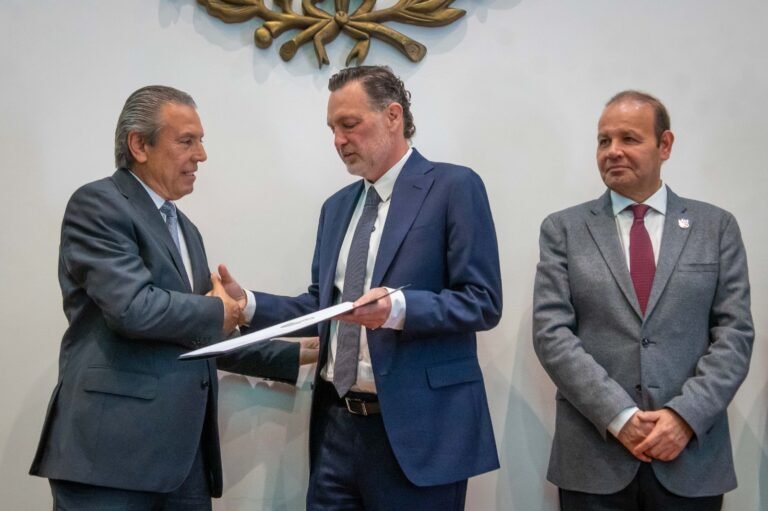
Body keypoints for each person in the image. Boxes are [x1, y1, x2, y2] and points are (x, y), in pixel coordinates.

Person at [219, 65, 503, 510]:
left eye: (349, 124)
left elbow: (483, 302)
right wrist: (248, 304)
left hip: (421, 432)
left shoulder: (454, 187)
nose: (338, 140)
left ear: (393, 115)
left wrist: (398, 309)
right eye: (332, 129)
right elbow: (322, 307)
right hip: (336, 428)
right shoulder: (336, 208)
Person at [29, 85, 315, 510]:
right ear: (139, 145)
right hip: (109, 458)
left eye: (201, 141)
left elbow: (199, 333)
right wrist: (219, 309)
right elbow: (133, 308)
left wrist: (299, 353)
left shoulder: (187, 230)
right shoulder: (98, 204)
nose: (201, 155)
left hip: (183, 465)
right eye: (186, 141)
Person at [533, 90, 754, 510]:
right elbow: (552, 335)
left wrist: (685, 417)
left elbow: (735, 335)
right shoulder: (563, 229)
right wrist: (619, 416)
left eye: (629, 139)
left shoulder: (716, 227)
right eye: (604, 140)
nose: (612, 151)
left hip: (691, 459)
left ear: (664, 145)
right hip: (594, 458)